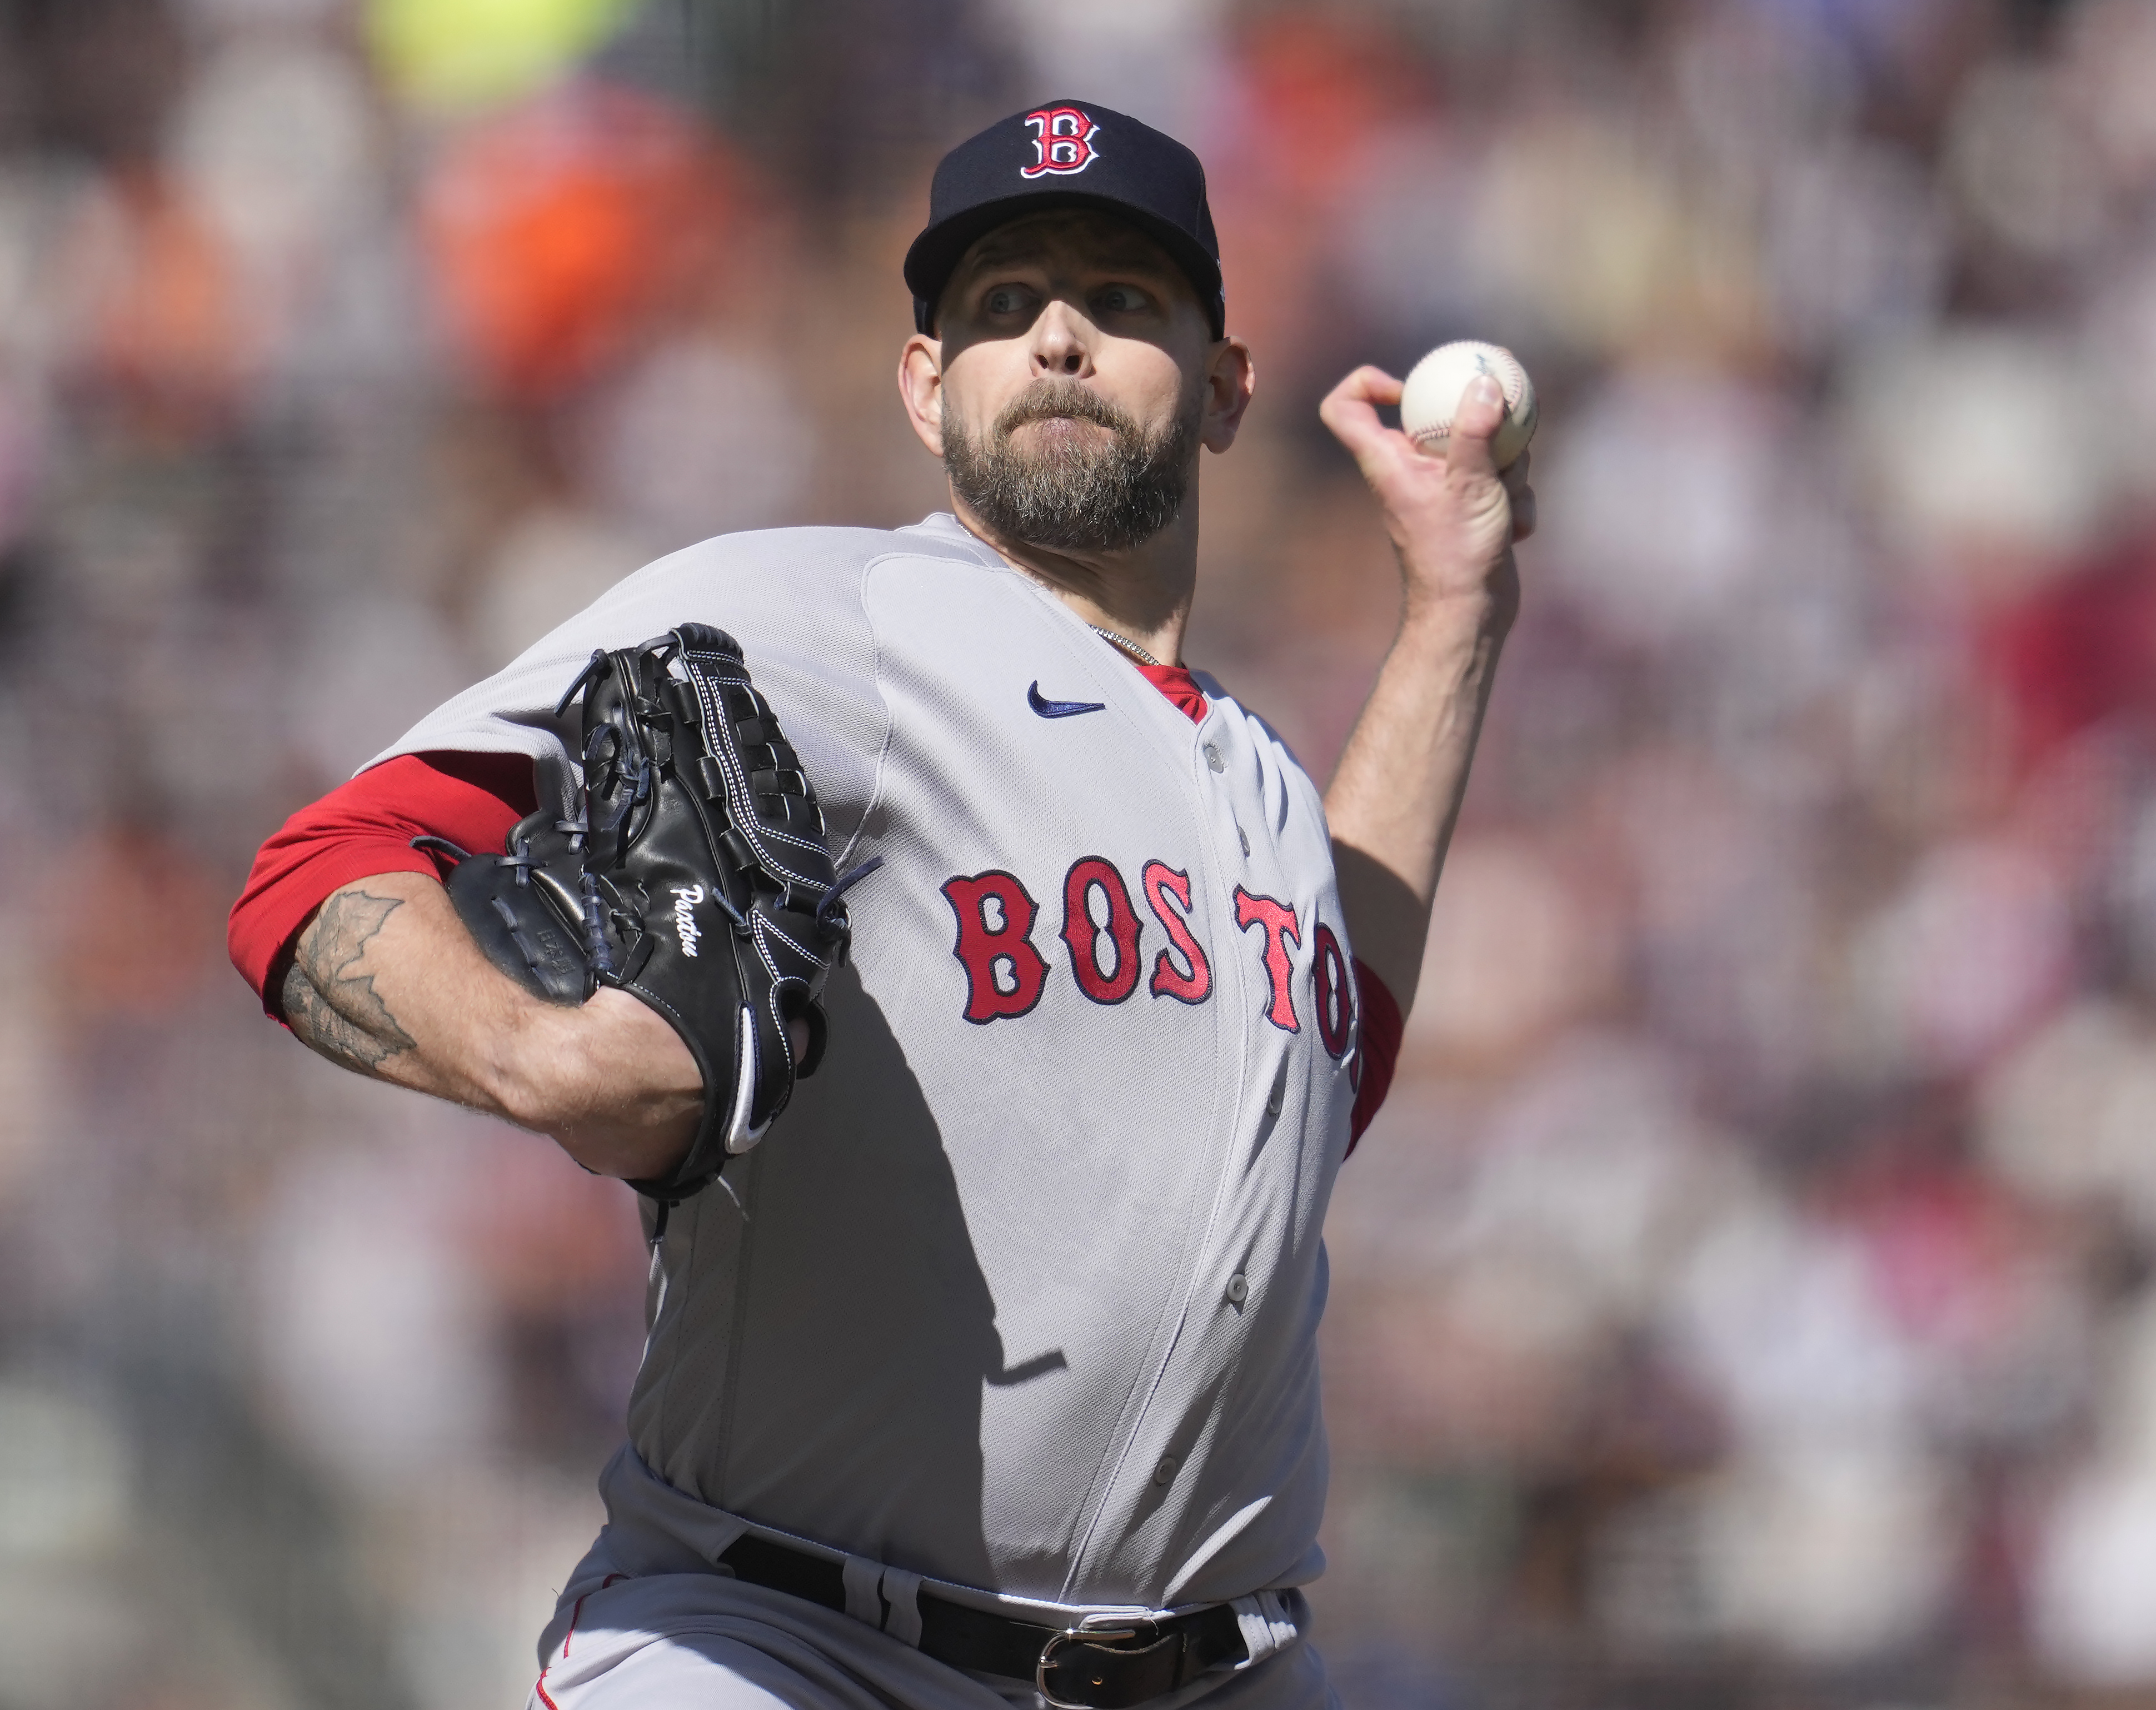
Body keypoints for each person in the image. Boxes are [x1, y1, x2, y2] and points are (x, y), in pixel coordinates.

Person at [228, 98, 1531, 1710]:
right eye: (1001, 308)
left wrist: (1457, 608)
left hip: (1218, 1677)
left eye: (1124, 302)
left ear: (1221, 388)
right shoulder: (826, 615)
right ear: (927, 388)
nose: (1059, 339)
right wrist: (532, 1054)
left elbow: (1331, 1066)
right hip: (788, 1647)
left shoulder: (1258, 775)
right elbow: (319, 867)